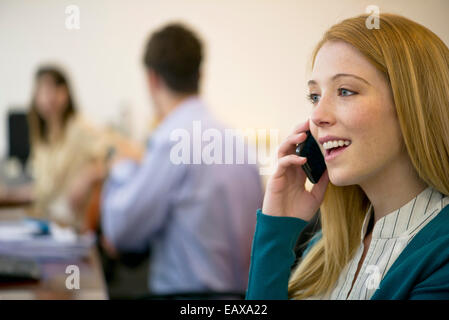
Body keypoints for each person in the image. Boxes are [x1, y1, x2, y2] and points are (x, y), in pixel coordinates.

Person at [246, 13, 449, 300]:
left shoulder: (441, 253)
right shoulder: (326, 248)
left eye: (345, 91)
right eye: (315, 96)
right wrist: (277, 229)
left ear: (413, 105)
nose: (317, 116)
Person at [101, 23, 264, 296]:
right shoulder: (236, 140)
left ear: (152, 79)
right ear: (200, 74)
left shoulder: (172, 139)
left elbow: (120, 231)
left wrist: (122, 168)